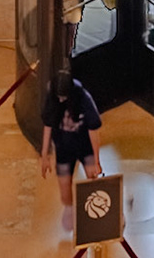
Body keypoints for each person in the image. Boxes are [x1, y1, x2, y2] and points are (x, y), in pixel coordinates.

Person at [40, 69, 104, 231]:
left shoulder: (84, 98)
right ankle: (69, 208)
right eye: (59, 97)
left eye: (64, 97)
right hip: (63, 147)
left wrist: (96, 160)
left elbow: (93, 131)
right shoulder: (52, 95)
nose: (61, 100)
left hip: (84, 146)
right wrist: (44, 155)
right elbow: (47, 124)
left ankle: (101, 208)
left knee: (92, 177)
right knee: (64, 186)